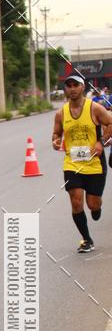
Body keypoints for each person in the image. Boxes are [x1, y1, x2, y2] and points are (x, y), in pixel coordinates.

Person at [52, 73, 112, 252]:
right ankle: (86, 239)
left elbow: (110, 123)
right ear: (65, 89)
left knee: (93, 205)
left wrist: (101, 142)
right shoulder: (61, 113)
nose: (72, 89)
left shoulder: (94, 108)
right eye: (68, 85)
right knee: (76, 201)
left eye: (75, 85)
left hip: (94, 163)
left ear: (82, 87)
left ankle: (97, 208)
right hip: (73, 163)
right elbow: (56, 133)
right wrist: (55, 141)